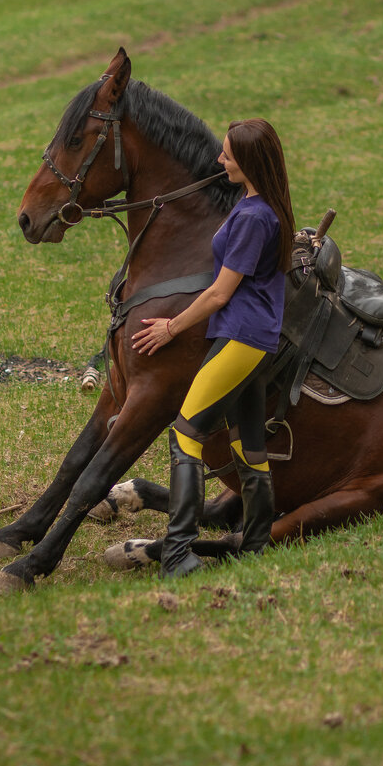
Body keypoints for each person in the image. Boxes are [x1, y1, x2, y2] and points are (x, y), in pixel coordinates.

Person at [132, 118, 295, 578]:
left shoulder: (251, 217)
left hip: (241, 338)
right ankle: (256, 546)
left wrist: (171, 327)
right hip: (259, 339)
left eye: (227, 155)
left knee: (186, 434)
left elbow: (219, 293)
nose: (219, 160)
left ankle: (179, 553)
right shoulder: (267, 206)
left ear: (248, 162)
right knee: (248, 444)